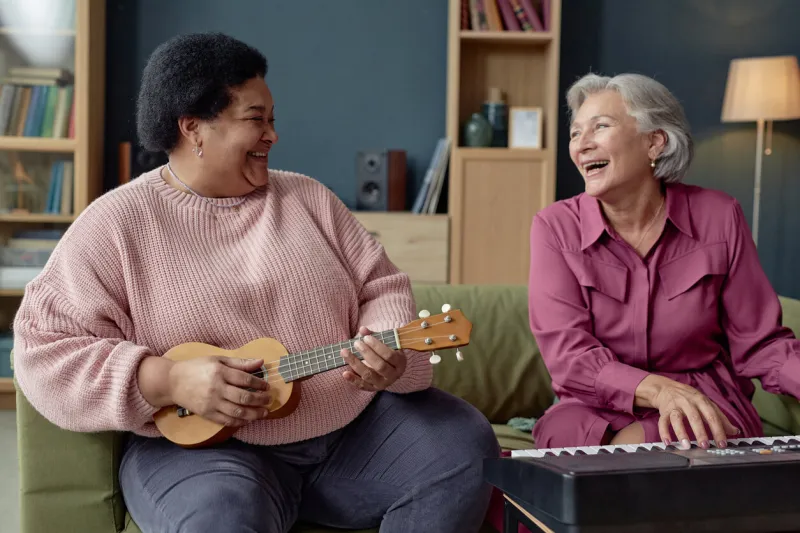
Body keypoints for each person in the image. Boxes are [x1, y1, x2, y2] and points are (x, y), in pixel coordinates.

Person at [12, 32, 499, 533]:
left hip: (351, 436)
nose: (272, 136)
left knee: (461, 443)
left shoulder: (309, 198)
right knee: (221, 516)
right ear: (193, 127)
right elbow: (41, 347)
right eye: (255, 120)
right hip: (201, 455)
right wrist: (165, 379)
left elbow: (381, 285)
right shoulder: (115, 224)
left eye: (272, 120)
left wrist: (386, 350)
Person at [528, 72, 800, 451]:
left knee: (666, 437)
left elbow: (761, 343)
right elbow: (569, 356)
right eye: (575, 133)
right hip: (594, 402)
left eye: (600, 127)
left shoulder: (719, 216)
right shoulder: (555, 227)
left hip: (700, 398)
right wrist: (657, 390)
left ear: (654, 142)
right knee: (563, 436)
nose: (581, 145)